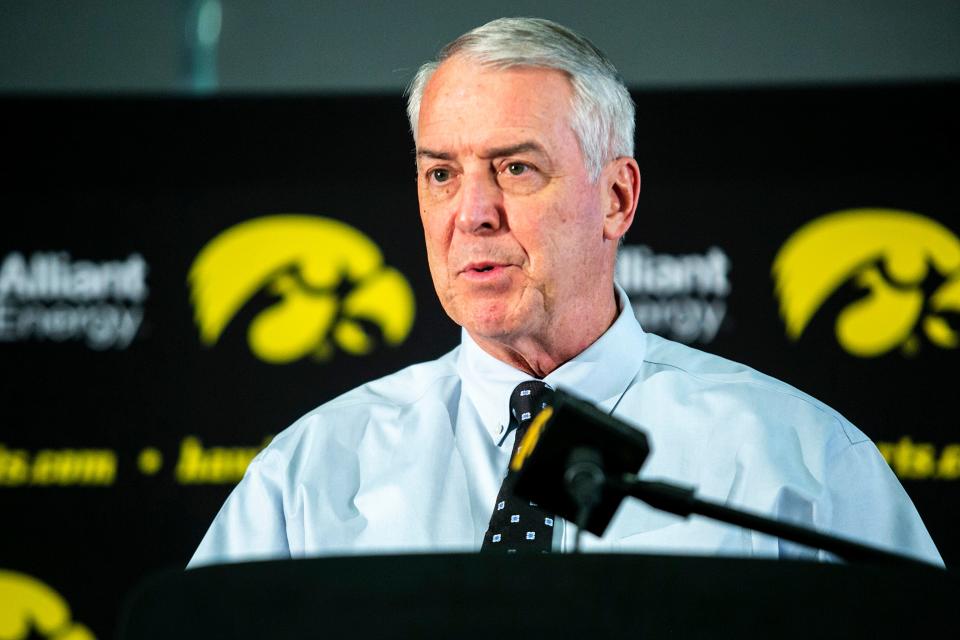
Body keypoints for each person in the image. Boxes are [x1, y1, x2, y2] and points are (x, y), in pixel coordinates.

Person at [188, 17, 942, 567]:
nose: (472, 213)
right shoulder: (309, 475)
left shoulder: (801, 463)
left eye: (516, 168)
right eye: (441, 174)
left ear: (616, 197)